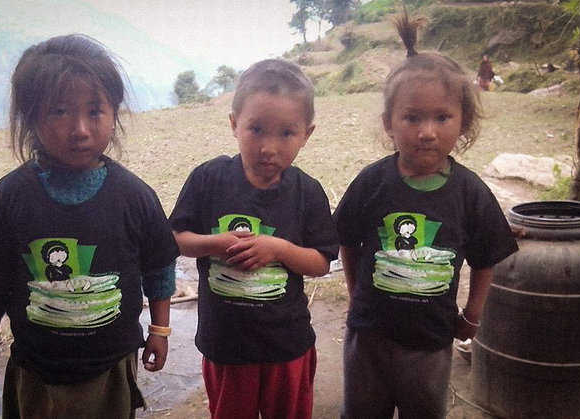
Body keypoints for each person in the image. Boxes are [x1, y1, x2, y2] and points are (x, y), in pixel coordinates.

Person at [0, 34, 180, 418]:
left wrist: (160, 331)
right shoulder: (10, 197)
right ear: (31, 117)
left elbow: (159, 267)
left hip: (110, 366)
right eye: (59, 112)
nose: (80, 129)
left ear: (114, 112)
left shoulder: (134, 197)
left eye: (95, 112)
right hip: (36, 367)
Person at [334, 12, 518, 419]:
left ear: (463, 121)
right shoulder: (372, 181)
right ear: (389, 123)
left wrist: (472, 316)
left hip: (431, 341)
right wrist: (354, 294)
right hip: (369, 337)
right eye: (412, 117)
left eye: (442, 117)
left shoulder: (470, 191)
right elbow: (347, 240)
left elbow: (486, 258)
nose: (427, 131)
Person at [169, 58, 339, 419]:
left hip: (287, 344)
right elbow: (177, 238)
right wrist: (217, 243)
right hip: (226, 345)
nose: (268, 147)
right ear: (234, 124)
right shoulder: (208, 179)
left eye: (286, 133)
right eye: (256, 129)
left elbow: (321, 263)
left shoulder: (308, 192)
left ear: (307, 134)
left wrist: (278, 249)